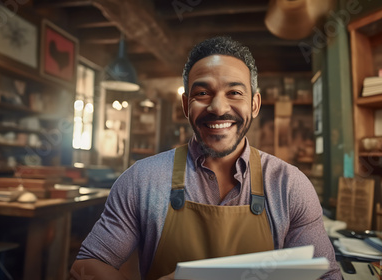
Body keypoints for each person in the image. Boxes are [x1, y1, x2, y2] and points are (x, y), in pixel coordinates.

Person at [71, 36, 342, 280]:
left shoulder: (291, 186)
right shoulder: (141, 180)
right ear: (186, 104)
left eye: (234, 93)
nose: (218, 107)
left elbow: (325, 275)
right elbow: (86, 266)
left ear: (255, 104)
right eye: (202, 93)